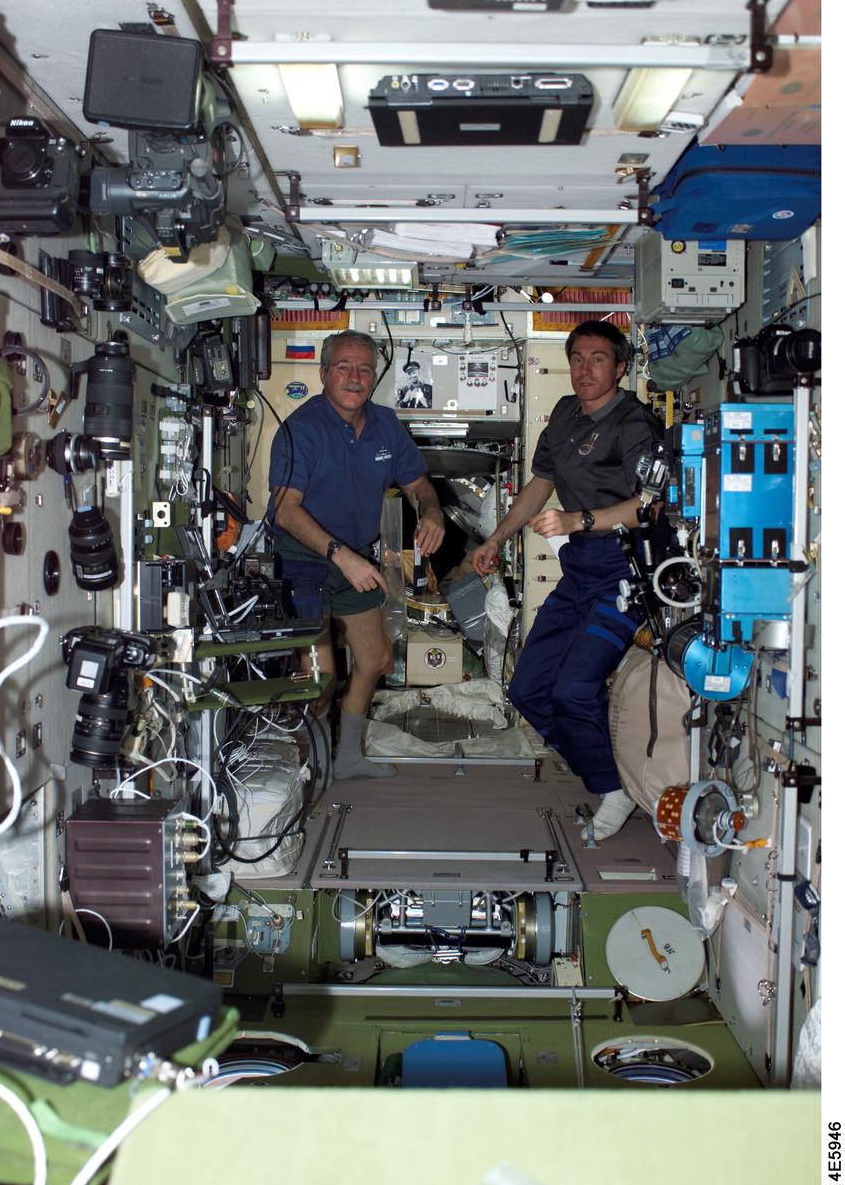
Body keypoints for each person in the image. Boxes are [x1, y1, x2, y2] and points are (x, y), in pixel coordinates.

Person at [471, 321, 662, 841]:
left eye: (597, 359)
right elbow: (541, 483)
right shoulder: (562, 414)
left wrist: (579, 521)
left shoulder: (634, 424)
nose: (584, 368)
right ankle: (605, 773)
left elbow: (651, 506)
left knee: (575, 689)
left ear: (621, 368)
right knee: (528, 690)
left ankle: (614, 787)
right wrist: (498, 538)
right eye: (577, 357)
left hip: (624, 574)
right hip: (580, 573)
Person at [269, 330, 445, 781]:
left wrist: (431, 511)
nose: (354, 377)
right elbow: (286, 511)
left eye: (364, 368)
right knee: (320, 679)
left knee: (375, 659)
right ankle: (311, 759)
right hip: (303, 559)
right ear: (324, 373)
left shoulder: (386, 424)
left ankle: (347, 757)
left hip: (357, 558)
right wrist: (340, 555)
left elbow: (418, 484)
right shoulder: (300, 430)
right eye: (344, 367)